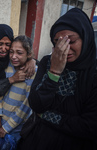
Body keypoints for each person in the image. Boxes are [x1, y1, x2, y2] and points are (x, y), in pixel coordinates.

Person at [18, 8, 97, 150]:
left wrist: (47, 116)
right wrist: (54, 71)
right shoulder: (47, 62)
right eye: (57, 42)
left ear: (85, 38)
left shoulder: (93, 74)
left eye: (70, 41)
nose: (63, 49)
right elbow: (36, 104)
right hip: (37, 140)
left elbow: (89, 126)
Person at [0, 35, 38, 149]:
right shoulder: (7, 67)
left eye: (19, 53)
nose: (14, 56)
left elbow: (26, 106)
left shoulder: (33, 73)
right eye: (11, 52)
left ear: (29, 54)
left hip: (17, 128)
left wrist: (7, 127)